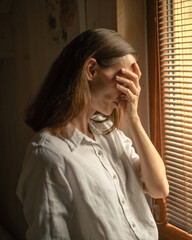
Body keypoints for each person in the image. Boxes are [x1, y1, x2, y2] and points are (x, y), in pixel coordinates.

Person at [16, 28, 169, 240]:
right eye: (123, 79)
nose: (128, 91)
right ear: (91, 70)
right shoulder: (48, 155)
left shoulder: (109, 134)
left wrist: (133, 118)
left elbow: (159, 188)